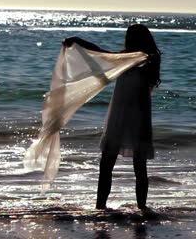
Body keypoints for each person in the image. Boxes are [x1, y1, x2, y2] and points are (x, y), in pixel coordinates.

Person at [62, 24, 161, 210]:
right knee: (107, 163)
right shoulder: (124, 58)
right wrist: (77, 41)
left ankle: (142, 208)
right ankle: (100, 207)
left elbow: (130, 61)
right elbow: (100, 53)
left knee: (138, 166)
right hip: (121, 113)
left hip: (137, 114)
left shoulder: (149, 58)